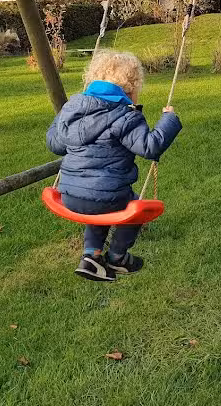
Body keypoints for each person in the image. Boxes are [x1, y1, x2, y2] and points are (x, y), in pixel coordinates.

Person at [47, 50, 182, 282]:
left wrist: (61, 118)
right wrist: (169, 119)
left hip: (69, 196)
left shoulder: (72, 109)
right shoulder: (125, 116)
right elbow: (150, 147)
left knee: (96, 198)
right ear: (131, 89)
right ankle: (118, 257)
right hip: (108, 198)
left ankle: (91, 256)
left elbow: (55, 144)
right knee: (132, 205)